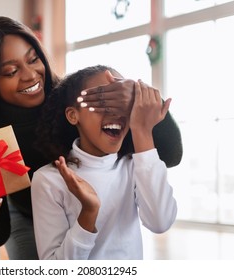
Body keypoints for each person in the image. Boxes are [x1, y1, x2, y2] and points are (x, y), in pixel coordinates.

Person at [0, 16, 183, 260]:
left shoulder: (75, 102)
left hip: (86, 209)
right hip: (27, 210)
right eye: (11, 71)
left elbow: (170, 155)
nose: (31, 75)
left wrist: (137, 96)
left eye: (33, 59)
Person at [31, 65, 177, 260]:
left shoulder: (134, 166)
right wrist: (88, 213)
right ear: (73, 115)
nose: (116, 114)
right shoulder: (49, 180)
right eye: (103, 103)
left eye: (122, 104)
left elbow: (160, 222)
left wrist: (142, 130)